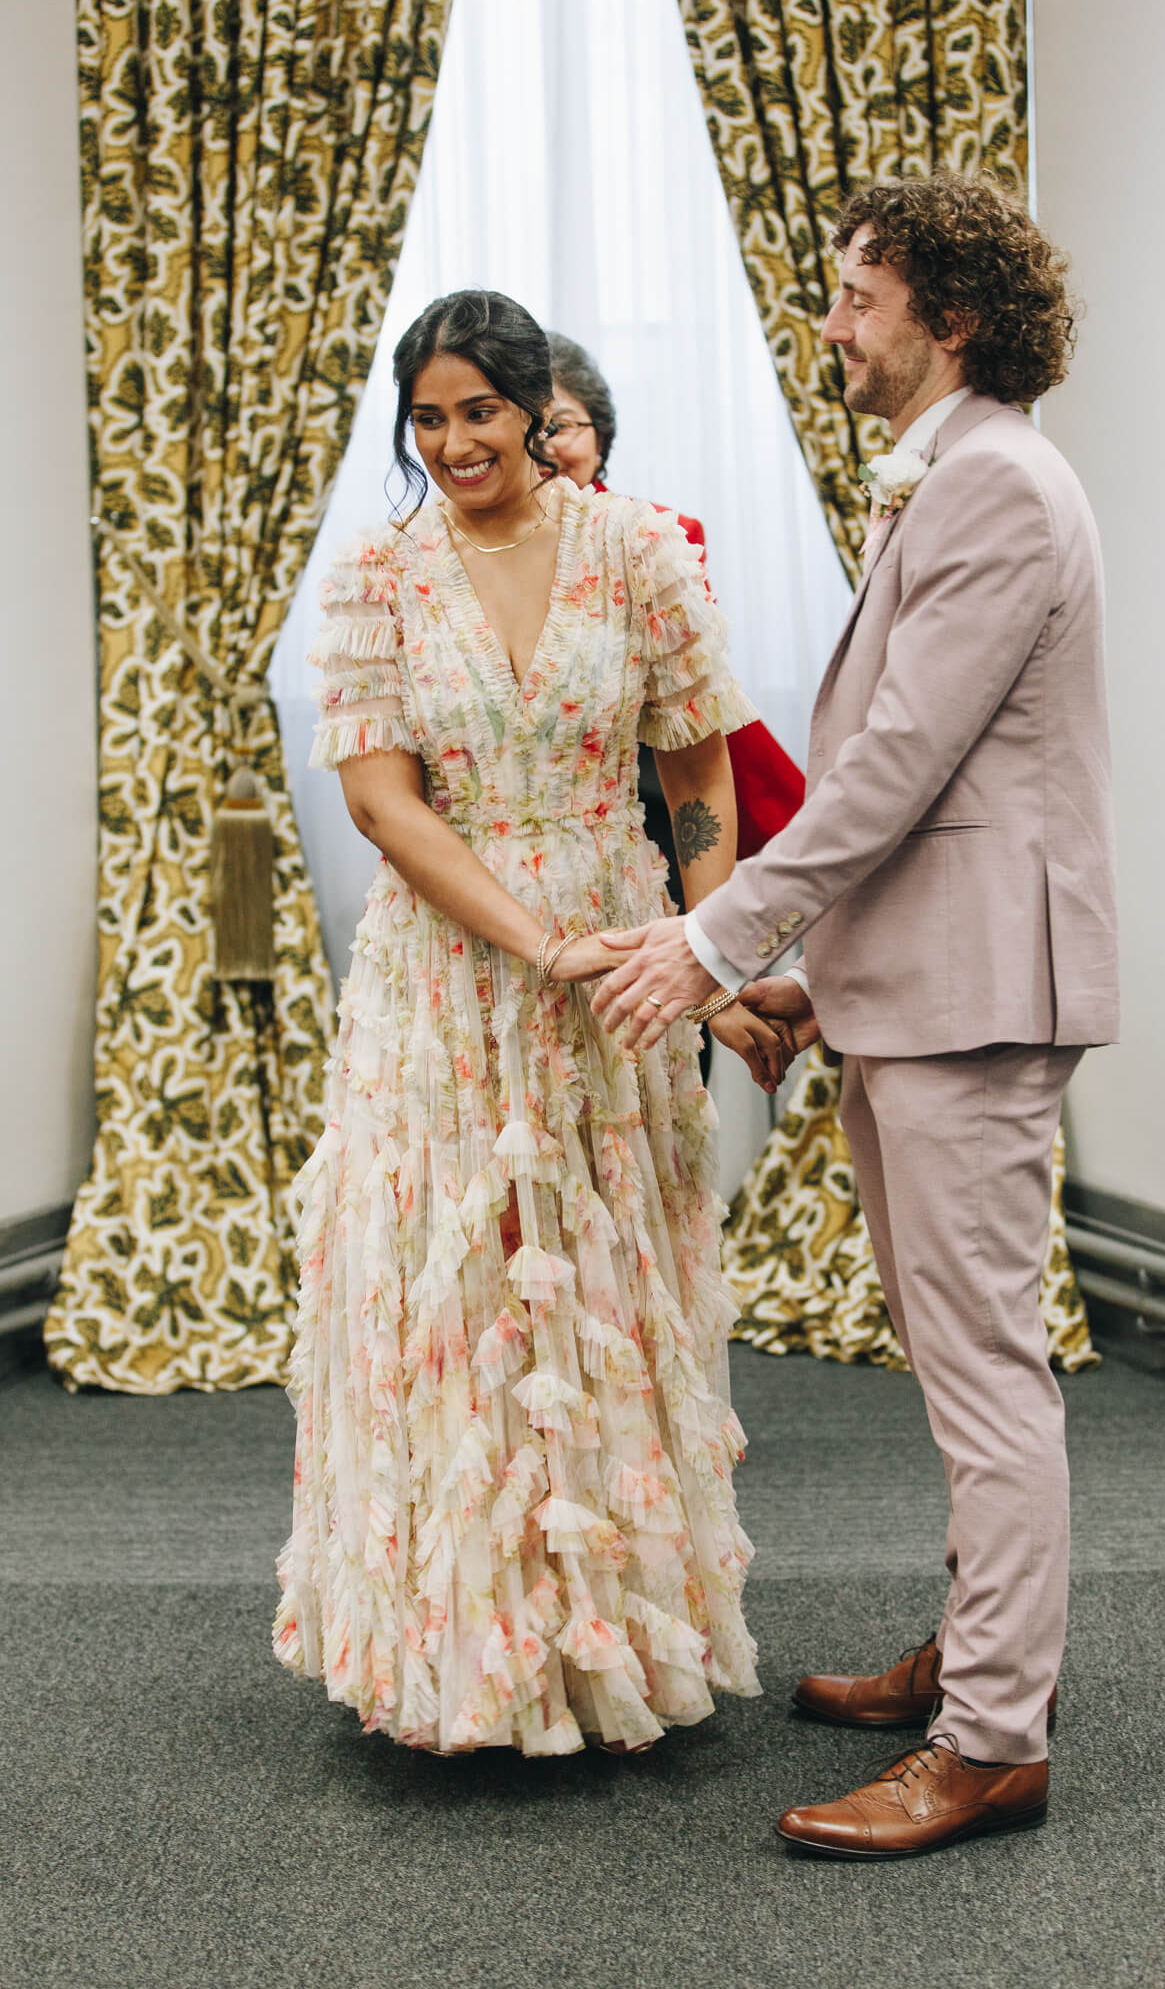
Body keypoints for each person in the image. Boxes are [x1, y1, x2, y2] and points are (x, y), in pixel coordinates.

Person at [592, 171, 1118, 1853]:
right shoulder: (955, 477)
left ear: (948, 318)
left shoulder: (1000, 491)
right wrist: (828, 972)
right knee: (956, 1361)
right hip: (927, 977)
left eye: (853, 297)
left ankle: (989, 1741)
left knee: (985, 1380)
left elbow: (896, 767)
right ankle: (976, 1659)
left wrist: (719, 933)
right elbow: (942, 780)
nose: (827, 324)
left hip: (978, 998)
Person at [273, 289, 787, 1757]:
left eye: (478, 413)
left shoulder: (635, 554)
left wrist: (723, 955)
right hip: (449, 979)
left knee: (605, 1284)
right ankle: (460, 1658)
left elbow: (694, 770)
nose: (451, 444)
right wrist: (536, 940)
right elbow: (381, 803)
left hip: (619, 962)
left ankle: (611, 1636)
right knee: (462, 1292)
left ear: (530, 407)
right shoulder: (376, 576)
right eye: (425, 419)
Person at [542, 330, 807, 1083]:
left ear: (600, 434)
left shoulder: (659, 539)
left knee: (654, 1073)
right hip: (523, 852)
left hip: (650, 823)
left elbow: (687, 723)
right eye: (526, 426)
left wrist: (707, 937)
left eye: (560, 424)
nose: (544, 446)